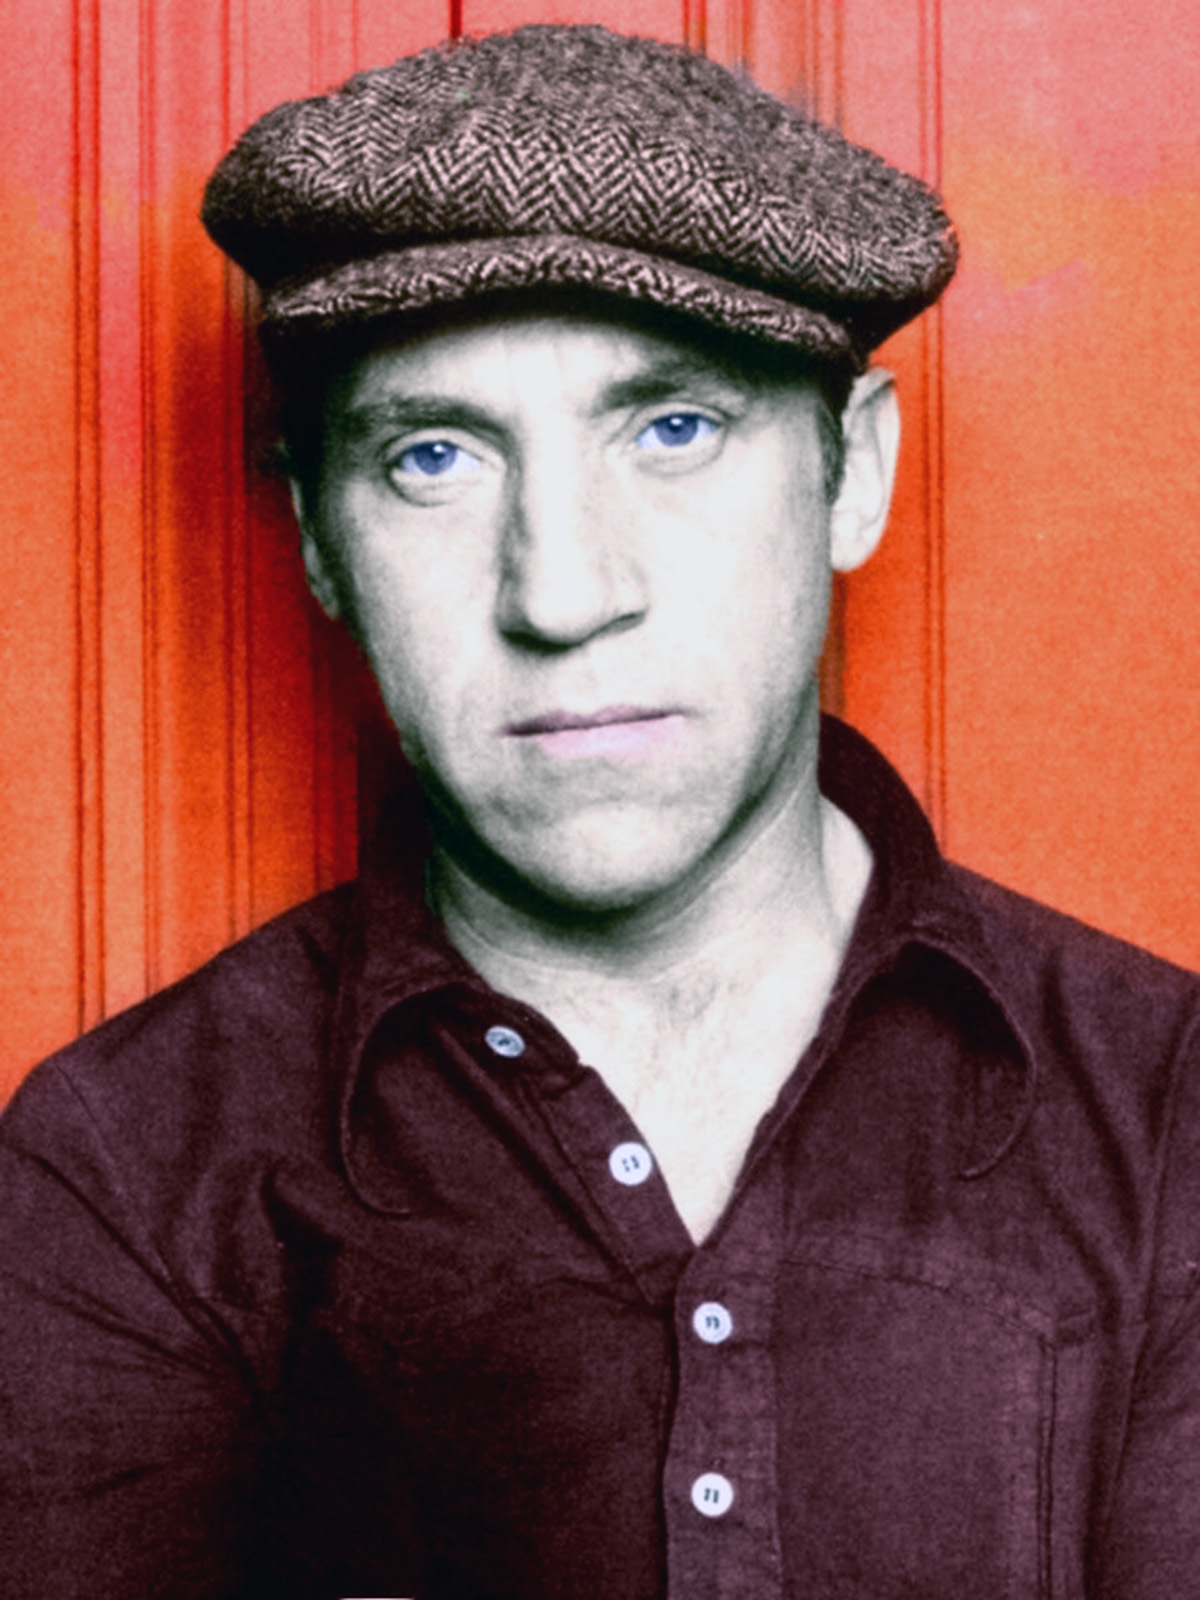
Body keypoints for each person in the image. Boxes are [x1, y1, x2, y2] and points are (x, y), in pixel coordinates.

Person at [1, 23, 1198, 1599]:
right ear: (319, 541)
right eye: (434, 458)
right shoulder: (125, 1167)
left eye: (673, 430)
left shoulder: (1171, 1109)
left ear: (851, 473)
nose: (562, 593)